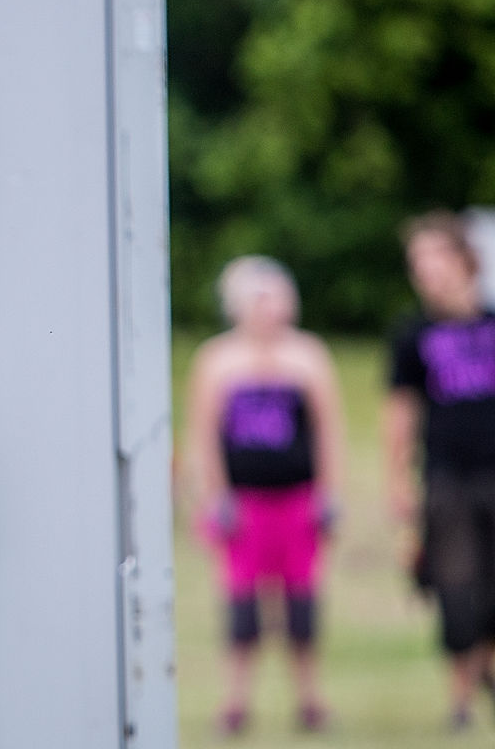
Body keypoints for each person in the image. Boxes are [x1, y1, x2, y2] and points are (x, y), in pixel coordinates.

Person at [183, 255, 345, 736]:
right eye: (257, 299)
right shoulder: (217, 360)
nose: (267, 309)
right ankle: (235, 702)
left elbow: (328, 430)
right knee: (242, 608)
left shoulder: (307, 357)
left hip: (296, 501)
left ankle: (311, 700)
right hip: (245, 506)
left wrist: (330, 494)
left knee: (301, 605)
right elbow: (204, 436)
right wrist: (214, 497)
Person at [385, 210, 495, 732]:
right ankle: (460, 699)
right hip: (447, 475)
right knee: (454, 584)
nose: (425, 270)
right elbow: (399, 412)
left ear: (464, 259)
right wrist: (398, 481)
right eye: (416, 262)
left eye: (435, 256)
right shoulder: (412, 334)